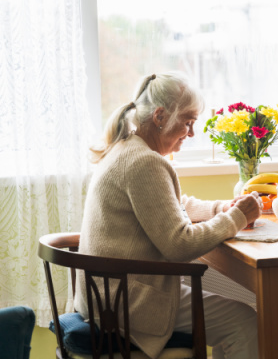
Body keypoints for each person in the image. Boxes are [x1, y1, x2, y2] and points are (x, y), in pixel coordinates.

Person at [75, 72, 263, 359]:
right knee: (244, 322)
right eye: (187, 123)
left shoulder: (127, 148)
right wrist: (236, 218)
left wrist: (221, 209)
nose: (191, 134)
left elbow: (170, 207)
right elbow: (179, 246)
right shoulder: (144, 162)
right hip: (124, 302)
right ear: (160, 116)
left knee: (232, 306)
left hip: (106, 293)